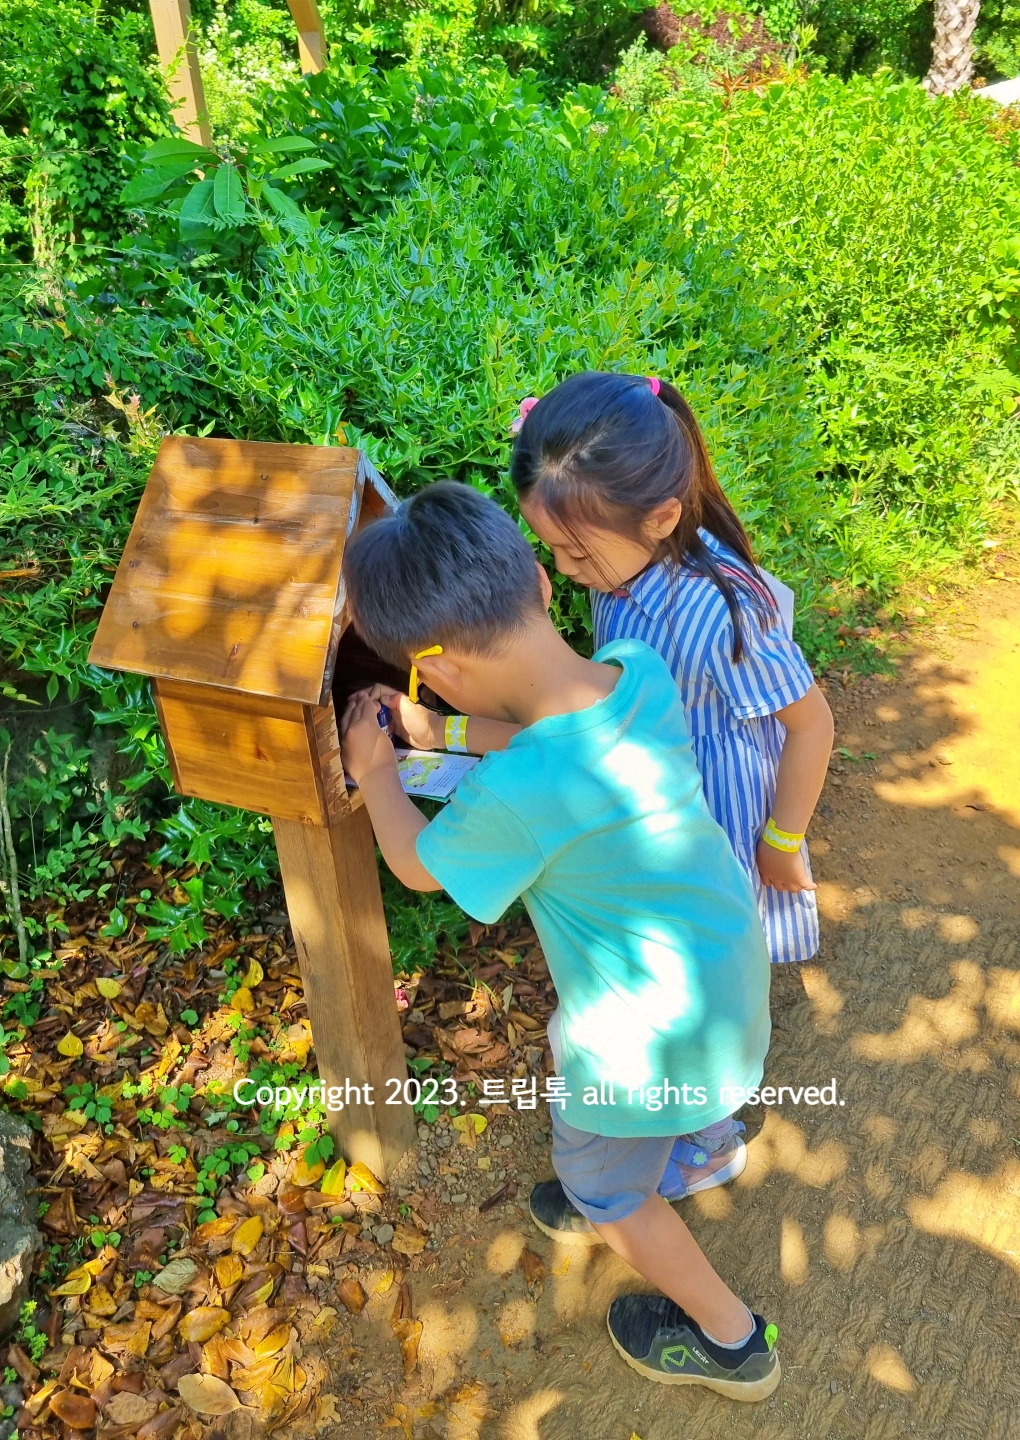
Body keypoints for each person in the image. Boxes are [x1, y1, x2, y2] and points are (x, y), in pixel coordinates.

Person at [339, 482, 780, 1401]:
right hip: (725, 971)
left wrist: (378, 768)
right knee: (671, 1112)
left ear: (439, 670)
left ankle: (732, 1342)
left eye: (434, 688)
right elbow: (543, 734)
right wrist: (445, 731)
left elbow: (421, 864)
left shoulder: (523, 794)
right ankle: (693, 1148)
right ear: (539, 582)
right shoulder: (633, 668)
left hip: (639, 1046)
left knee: (608, 1188)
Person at [508, 371, 834, 968]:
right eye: (550, 546)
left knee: (722, 949)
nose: (562, 567)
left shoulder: (718, 613)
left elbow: (812, 725)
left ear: (659, 519)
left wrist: (783, 842)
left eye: (576, 552)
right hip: (652, 804)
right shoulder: (618, 568)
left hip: (715, 811)